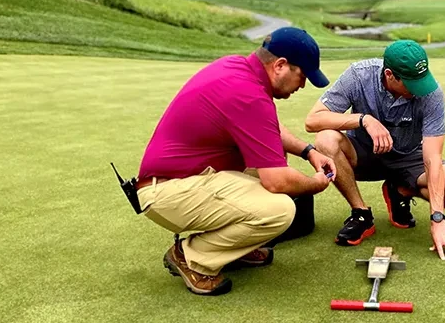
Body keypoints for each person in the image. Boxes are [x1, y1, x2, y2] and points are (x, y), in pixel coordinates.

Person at [135, 27, 338, 296]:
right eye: (302, 76)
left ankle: (232, 248)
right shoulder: (249, 95)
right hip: (166, 192)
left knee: (274, 157)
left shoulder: (236, 68)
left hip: (182, 180)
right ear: (280, 66)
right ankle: (191, 257)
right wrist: (316, 183)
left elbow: (271, 131)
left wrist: (309, 151)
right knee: (280, 209)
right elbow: (276, 181)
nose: (302, 86)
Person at [304, 40, 445, 260]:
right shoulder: (358, 75)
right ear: (390, 74)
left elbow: (432, 158)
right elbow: (312, 120)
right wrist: (363, 120)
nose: (419, 89)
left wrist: (437, 219)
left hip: (410, 157)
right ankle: (361, 213)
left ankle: (399, 190)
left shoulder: (431, 93)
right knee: (325, 139)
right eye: (412, 83)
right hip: (363, 153)